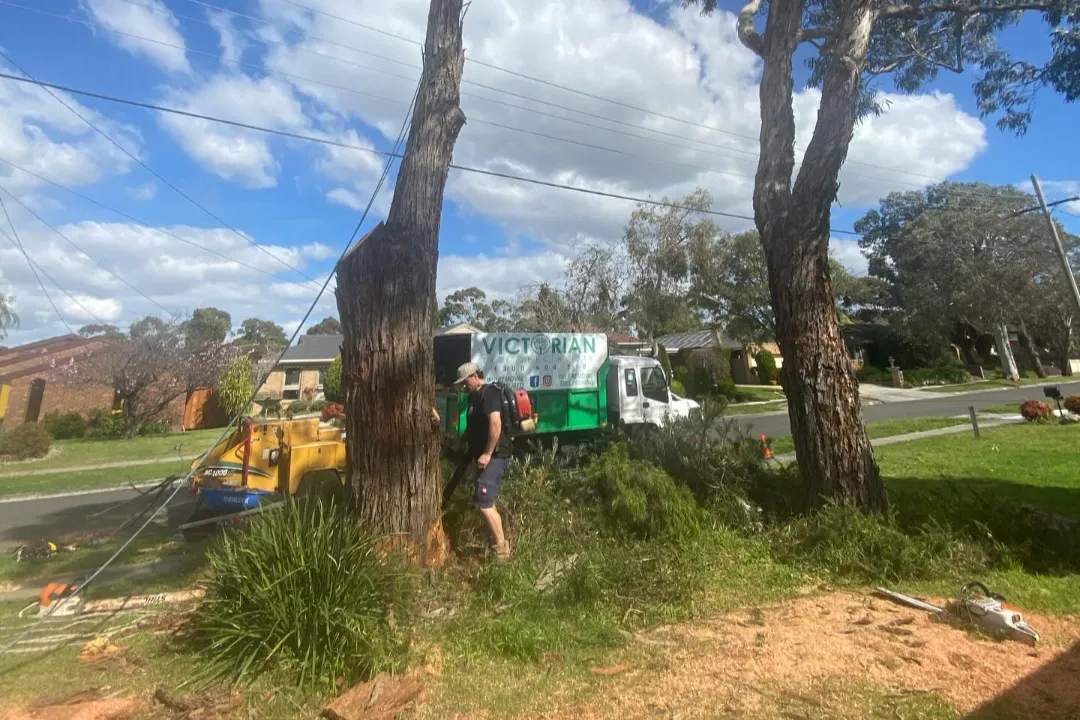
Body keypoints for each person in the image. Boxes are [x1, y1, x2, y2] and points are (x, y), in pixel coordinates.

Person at [454, 362, 512, 561]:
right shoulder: (473, 398)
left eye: (465, 382)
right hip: (482, 456)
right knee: (483, 500)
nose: (463, 386)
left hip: (496, 455)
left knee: (484, 500)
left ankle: (502, 552)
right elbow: (472, 428)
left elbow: (495, 424)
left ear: (475, 376)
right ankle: (493, 543)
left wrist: (488, 454)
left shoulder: (490, 394)